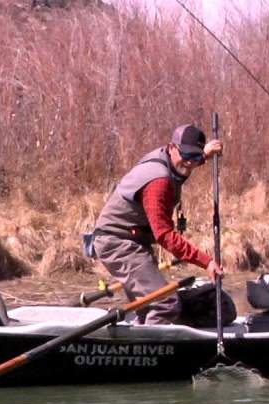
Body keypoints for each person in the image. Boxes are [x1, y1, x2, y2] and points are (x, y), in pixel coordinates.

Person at [93, 124, 223, 325]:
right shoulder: (158, 181)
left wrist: (204, 155)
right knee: (165, 303)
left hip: (133, 241)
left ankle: (139, 339)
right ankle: (154, 354)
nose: (190, 163)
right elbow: (164, 235)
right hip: (117, 243)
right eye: (187, 155)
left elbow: (184, 165)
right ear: (171, 147)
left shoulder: (170, 159)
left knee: (146, 306)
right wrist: (206, 261)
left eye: (195, 157)